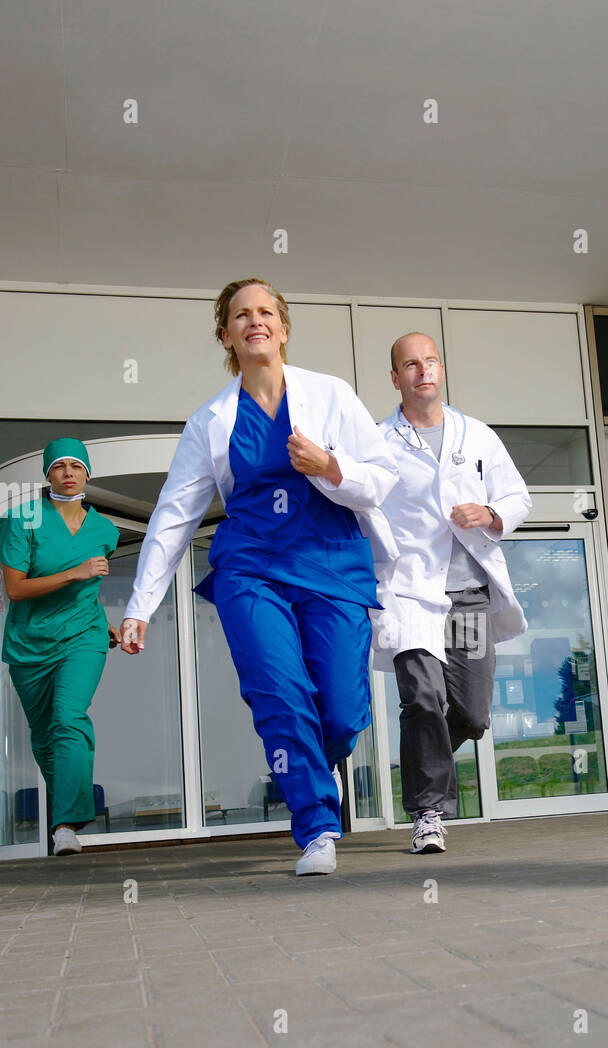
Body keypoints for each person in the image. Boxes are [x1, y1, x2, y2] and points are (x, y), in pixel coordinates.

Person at [120, 278, 399, 875]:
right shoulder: (210, 421)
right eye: (241, 315)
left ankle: (307, 769)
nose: (255, 322)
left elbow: (382, 478)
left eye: (266, 312)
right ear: (226, 334)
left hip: (331, 562)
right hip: (250, 568)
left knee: (346, 713)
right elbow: (174, 515)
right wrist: (139, 605)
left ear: (283, 327)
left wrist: (330, 466)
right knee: (278, 691)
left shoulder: (330, 394)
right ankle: (317, 825)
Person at [375, 332, 531, 852]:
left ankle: (426, 761)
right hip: (412, 593)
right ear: (395, 378)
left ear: (441, 371)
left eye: (431, 362)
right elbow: (358, 505)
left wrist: (491, 514)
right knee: (421, 698)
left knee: (471, 714)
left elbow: (517, 496)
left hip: (468, 597)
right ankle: (427, 812)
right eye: (411, 365)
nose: (423, 371)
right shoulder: (378, 442)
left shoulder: (477, 436)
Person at [1, 439, 120, 855]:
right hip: (29, 643)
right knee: (43, 736)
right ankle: (65, 808)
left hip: (83, 636)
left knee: (69, 718)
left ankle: (66, 824)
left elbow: (88, 591)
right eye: (59, 466)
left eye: (76, 466)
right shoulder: (22, 518)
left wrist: (105, 623)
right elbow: (15, 589)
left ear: (88, 474)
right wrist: (74, 572)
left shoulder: (105, 529)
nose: (68, 472)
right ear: (47, 475)